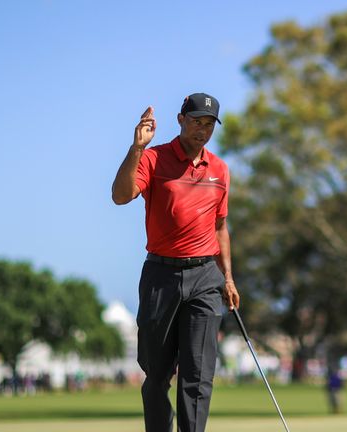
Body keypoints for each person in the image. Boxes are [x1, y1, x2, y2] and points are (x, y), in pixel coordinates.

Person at [112, 92, 240, 432]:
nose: (202, 129)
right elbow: (120, 195)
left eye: (209, 124)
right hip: (160, 275)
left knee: (198, 376)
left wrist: (227, 277)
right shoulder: (154, 159)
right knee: (156, 372)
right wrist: (137, 147)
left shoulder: (220, 170)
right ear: (181, 119)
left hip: (205, 278)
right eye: (196, 121)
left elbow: (220, 227)